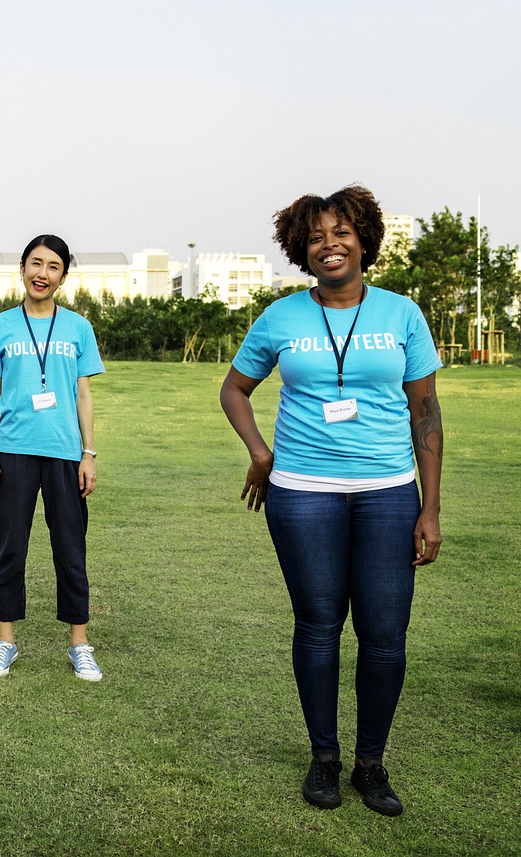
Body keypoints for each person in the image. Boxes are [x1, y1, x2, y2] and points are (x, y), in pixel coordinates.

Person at [219, 185, 443, 817]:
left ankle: (371, 763)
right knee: (317, 627)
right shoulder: (282, 317)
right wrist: (262, 455)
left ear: (363, 238)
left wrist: (429, 507)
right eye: (316, 236)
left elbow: (424, 413)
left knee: (384, 633)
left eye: (341, 232)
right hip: (303, 494)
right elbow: (235, 390)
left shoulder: (402, 315)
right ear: (301, 248)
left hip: (387, 493)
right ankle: (324, 758)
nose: (330, 244)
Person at [0, 234, 105, 682]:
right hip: (12, 453)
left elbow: (83, 394)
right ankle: (5, 642)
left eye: (52, 266)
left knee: (71, 550)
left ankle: (80, 644)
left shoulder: (79, 329)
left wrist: (88, 453)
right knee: (10, 549)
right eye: (35, 263)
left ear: (63, 276)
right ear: (22, 268)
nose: (41, 273)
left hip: (66, 454)